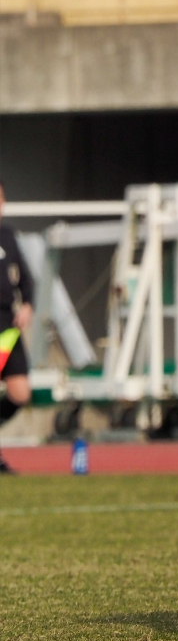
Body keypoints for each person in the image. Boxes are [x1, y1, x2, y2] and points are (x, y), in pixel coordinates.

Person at [0, 180, 35, 474]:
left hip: (7, 324)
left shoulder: (8, 236)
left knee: (20, 392)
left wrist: (28, 304)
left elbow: (26, 277)